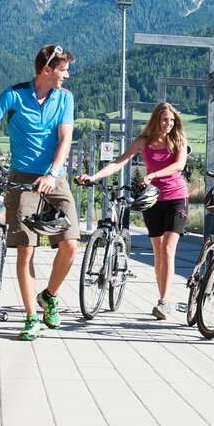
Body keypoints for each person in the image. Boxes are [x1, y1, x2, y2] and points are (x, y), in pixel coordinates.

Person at [0, 44, 79, 341]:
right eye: (63, 70)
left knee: (71, 243)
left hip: (54, 176)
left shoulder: (65, 98)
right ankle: (31, 317)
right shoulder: (14, 95)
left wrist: (51, 173)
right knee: (26, 248)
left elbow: (65, 140)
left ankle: (49, 296)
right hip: (22, 176)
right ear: (47, 69)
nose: (67, 75)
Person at [77, 102, 188, 320]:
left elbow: (179, 166)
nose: (168, 124)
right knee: (158, 253)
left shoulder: (178, 140)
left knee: (168, 249)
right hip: (152, 200)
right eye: (165, 120)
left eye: (172, 120)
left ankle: (165, 302)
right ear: (156, 120)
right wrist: (93, 177)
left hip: (176, 198)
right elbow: (118, 163)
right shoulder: (143, 142)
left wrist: (153, 176)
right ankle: (162, 297)